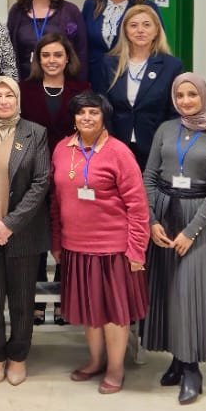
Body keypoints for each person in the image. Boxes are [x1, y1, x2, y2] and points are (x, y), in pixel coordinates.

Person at [143, 73, 206, 405]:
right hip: (164, 216)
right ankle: (177, 359)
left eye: (192, 95)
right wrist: (152, 220)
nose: (186, 101)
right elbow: (149, 176)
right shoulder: (165, 130)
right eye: (180, 95)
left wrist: (191, 232)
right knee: (168, 290)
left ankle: (192, 370)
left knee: (191, 293)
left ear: (204, 96)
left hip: (197, 222)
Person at [49, 91, 149, 395]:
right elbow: (56, 202)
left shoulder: (119, 152)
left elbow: (138, 206)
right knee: (90, 311)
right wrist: (57, 242)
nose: (87, 118)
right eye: (81, 113)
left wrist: (136, 249)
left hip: (113, 248)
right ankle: (95, 361)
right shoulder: (62, 149)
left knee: (114, 313)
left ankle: (116, 368)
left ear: (104, 117)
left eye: (93, 112)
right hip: (76, 246)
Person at [0, 76, 51, 387]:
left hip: (23, 232)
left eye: (9, 96)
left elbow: (41, 183)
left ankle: (17, 356)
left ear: (18, 100)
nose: (4, 101)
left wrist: (10, 224)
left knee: (21, 301)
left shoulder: (35, 133)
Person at [18, 31, 88, 324]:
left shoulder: (82, 89)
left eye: (58, 55)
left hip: (70, 170)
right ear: (37, 59)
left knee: (68, 233)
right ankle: (36, 300)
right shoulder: (24, 90)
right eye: (45, 55)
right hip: (31, 171)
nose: (52, 60)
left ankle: (63, 300)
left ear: (68, 58)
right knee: (35, 234)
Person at [105, 5, 185, 170]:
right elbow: (103, 106)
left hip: (155, 146)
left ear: (156, 31)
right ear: (125, 31)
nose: (140, 30)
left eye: (147, 25)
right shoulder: (110, 63)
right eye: (133, 25)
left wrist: (167, 144)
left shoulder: (171, 66)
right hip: (117, 146)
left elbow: (174, 112)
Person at [82, 0, 158, 95]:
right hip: (96, 78)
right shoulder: (91, 5)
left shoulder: (145, 6)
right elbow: (83, 43)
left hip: (132, 77)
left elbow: (157, 44)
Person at [6, 0, 88, 77]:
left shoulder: (71, 11)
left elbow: (82, 53)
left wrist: (80, 86)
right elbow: (8, 53)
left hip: (63, 83)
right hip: (25, 83)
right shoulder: (16, 11)